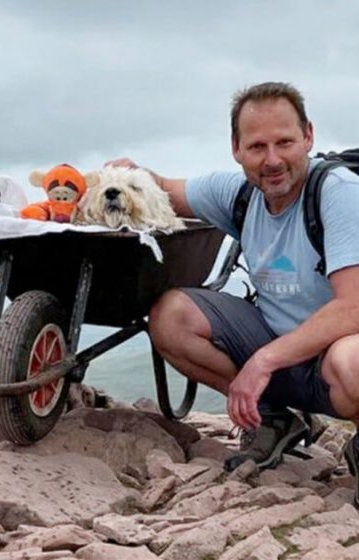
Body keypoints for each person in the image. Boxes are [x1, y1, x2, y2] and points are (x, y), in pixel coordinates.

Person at [108, 81, 359, 498]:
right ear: (236, 148)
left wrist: (263, 360)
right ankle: (272, 419)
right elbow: (165, 188)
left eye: (285, 142)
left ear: (309, 137)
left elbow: (352, 308)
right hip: (278, 348)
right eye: (258, 147)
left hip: (335, 352)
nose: (273, 160)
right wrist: (125, 174)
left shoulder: (338, 194)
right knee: (170, 317)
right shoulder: (240, 193)